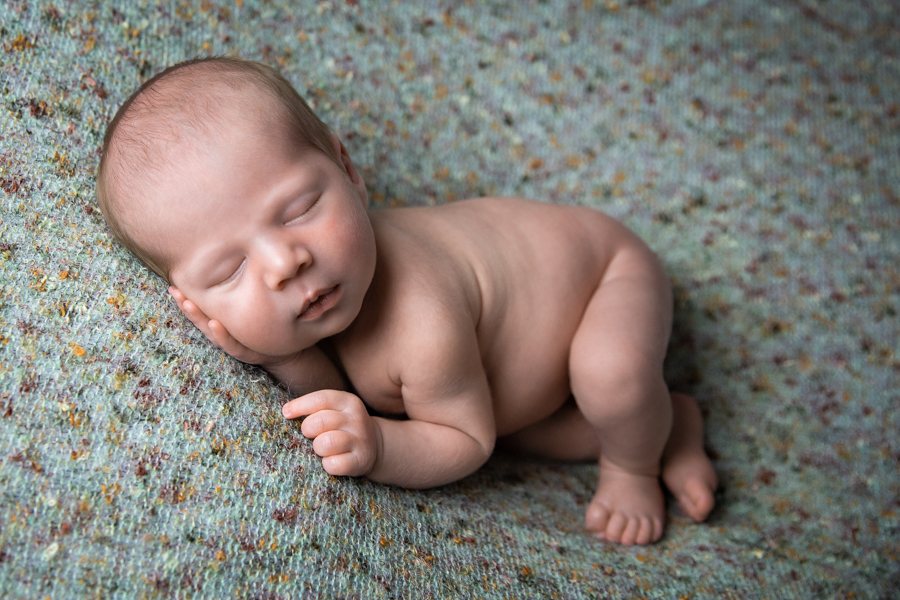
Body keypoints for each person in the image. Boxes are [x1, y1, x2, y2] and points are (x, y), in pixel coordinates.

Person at [96, 57, 717, 545]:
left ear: (348, 169)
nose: (286, 263)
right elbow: (339, 386)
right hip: (516, 388)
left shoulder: (421, 318)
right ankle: (672, 427)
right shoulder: (315, 301)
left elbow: (468, 443)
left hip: (605, 273)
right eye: (230, 269)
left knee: (610, 380)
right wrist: (270, 354)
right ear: (190, 301)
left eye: (301, 209)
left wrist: (382, 446)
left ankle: (636, 463)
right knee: (528, 432)